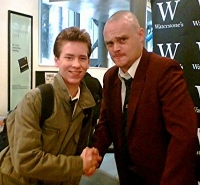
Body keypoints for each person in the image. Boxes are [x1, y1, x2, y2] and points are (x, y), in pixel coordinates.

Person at [90, 10, 198, 185]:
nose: (115, 49)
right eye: (109, 43)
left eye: (122, 40)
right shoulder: (110, 78)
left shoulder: (164, 70)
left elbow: (183, 136)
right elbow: (106, 125)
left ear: (141, 35)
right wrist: (94, 154)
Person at [0, 27, 102, 185]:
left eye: (82, 58)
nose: (76, 64)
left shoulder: (86, 104)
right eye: (69, 57)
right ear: (57, 61)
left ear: (88, 62)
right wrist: (80, 165)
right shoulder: (36, 100)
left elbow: (76, 154)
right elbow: (26, 161)